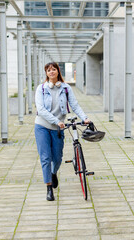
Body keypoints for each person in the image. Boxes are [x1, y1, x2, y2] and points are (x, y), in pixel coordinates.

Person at [34, 62, 90, 201]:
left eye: (54, 69)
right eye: (48, 70)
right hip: (42, 126)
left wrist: (85, 117)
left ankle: (53, 173)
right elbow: (41, 110)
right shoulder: (40, 89)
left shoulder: (65, 88)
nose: (51, 72)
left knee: (57, 158)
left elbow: (74, 105)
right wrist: (56, 121)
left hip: (58, 128)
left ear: (58, 71)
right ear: (46, 73)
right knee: (46, 158)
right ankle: (48, 188)